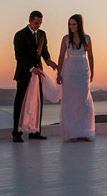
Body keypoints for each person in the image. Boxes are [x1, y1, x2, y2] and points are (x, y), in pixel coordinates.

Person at [13, 10, 58, 143]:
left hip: (39, 74)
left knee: (37, 102)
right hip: (24, 74)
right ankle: (16, 133)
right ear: (30, 20)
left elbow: (44, 51)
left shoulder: (42, 34)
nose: (38, 26)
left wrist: (49, 61)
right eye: (36, 23)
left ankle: (35, 131)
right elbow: (19, 56)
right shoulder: (20, 35)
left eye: (40, 23)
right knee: (20, 103)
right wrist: (32, 69)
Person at [56, 14, 95, 142]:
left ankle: (84, 131)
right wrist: (59, 73)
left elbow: (90, 56)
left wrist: (92, 72)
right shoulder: (66, 39)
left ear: (79, 24)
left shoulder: (87, 38)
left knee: (83, 101)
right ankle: (72, 132)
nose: (71, 27)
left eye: (74, 24)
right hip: (69, 71)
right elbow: (61, 56)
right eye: (70, 24)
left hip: (83, 71)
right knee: (70, 101)